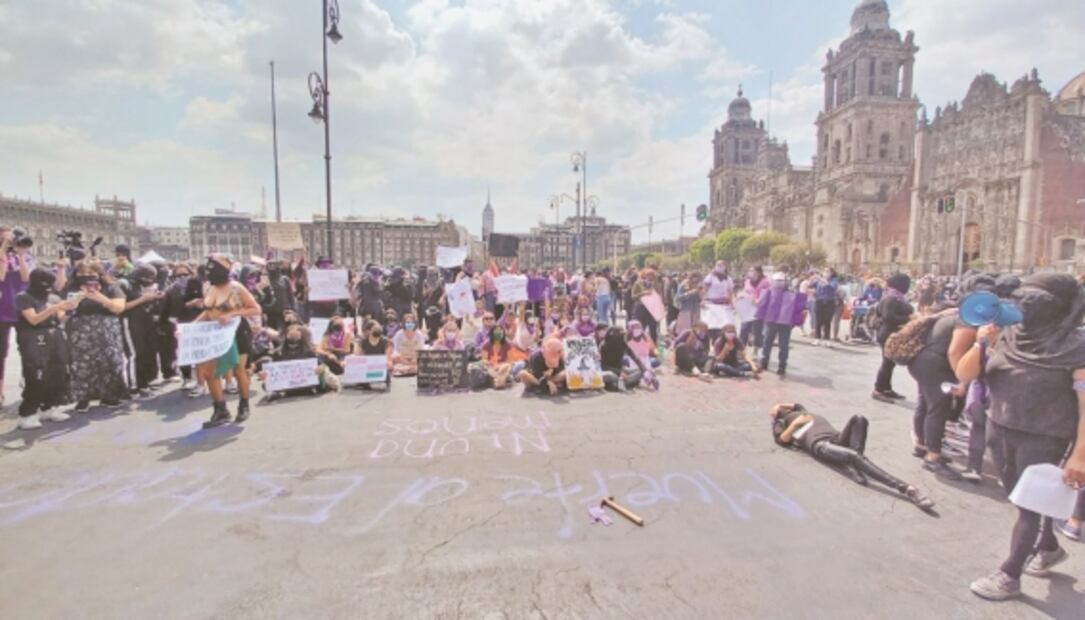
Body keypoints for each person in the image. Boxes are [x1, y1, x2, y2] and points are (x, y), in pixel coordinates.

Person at [956, 273, 1085, 601]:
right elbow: (965, 374)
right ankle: (1048, 546)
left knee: (1028, 506)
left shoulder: (1076, 349)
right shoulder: (1007, 333)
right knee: (1018, 496)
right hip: (998, 429)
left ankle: (1009, 574)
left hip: (1045, 436)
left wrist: (1079, 455)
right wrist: (982, 342)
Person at [907, 273, 996, 480]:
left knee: (925, 404)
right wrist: (962, 380)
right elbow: (954, 352)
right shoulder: (967, 319)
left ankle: (922, 444)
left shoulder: (955, 311)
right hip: (936, 366)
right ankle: (933, 456)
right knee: (939, 408)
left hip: (923, 361)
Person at [770, 403, 934, 510]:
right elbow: (781, 440)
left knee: (859, 419)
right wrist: (795, 424)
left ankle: (855, 465)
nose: (778, 406)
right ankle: (907, 489)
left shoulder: (801, 411)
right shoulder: (783, 422)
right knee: (854, 455)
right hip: (820, 445)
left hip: (836, 438)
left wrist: (783, 405)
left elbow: (796, 404)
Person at [195, 254, 262, 428]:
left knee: (239, 370)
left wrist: (232, 313)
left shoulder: (236, 288)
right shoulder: (210, 289)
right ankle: (220, 409)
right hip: (215, 333)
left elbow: (255, 309)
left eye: (213, 268)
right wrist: (191, 327)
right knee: (210, 372)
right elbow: (209, 312)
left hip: (237, 332)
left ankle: (244, 405)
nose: (209, 272)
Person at [13, 268, 76, 429]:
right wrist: (53, 308)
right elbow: (33, 319)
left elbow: (59, 318)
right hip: (33, 338)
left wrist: (68, 309)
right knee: (36, 375)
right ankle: (27, 413)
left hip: (54, 336)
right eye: (44, 284)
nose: (47, 287)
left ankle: (50, 406)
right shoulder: (24, 297)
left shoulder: (53, 297)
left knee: (57, 372)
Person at [66, 260, 128, 411]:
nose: (86, 277)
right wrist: (76, 299)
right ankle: (83, 398)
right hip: (80, 331)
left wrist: (100, 297)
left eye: (90, 273)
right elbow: (63, 309)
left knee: (110, 361)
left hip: (107, 329)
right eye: (82, 273)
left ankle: (110, 396)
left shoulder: (111, 288)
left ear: (99, 274)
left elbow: (119, 308)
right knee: (81, 364)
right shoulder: (72, 288)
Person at [0, 226, 33, 407]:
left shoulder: (24, 256)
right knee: (0, 353)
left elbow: (26, 278)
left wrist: (20, 255)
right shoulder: (2, 255)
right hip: (1, 310)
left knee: (27, 348)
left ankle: (28, 383)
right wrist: (3, 249)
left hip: (21, 309)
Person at [123, 263, 166, 398]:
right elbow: (121, 307)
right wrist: (143, 298)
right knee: (135, 354)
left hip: (144, 321)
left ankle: (145, 382)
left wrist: (153, 297)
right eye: (148, 278)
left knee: (148, 351)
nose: (150, 281)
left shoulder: (141, 286)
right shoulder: (125, 285)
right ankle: (133, 387)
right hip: (130, 322)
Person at [871, 274, 914, 402]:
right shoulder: (891, 298)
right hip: (887, 334)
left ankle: (887, 388)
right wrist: (909, 319)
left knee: (890, 363)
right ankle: (878, 389)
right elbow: (888, 317)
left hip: (893, 333)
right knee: (887, 362)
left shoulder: (896, 297)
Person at [757, 272, 807, 377]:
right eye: (776, 281)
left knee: (783, 345)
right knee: (767, 342)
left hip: (785, 323)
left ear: (785, 282)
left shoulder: (792, 293)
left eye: (781, 281)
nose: (778, 283)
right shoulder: (768, 292)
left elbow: (799, 306)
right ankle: (764, 362)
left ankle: (782, 366)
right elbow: (762, 305)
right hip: (771, 321)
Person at [599, 326, 651, 391]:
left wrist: (645, 371)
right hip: (609, 371)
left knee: (640, 371)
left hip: (621, 369)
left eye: (623, 334)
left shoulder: (623, 344)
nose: (622, 336)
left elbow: (635, 358)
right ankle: (624, 383)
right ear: (613, 335)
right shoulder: (603, 346)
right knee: (609, 376)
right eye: (620, 334)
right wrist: (619, 372)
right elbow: (603, 366)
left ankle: (621, 383)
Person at [355, 319, 392, 390]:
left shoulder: (385, 342)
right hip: (367, 369)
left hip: (381, 369)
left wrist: (388, 363)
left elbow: (389, 359)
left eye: (379, 327)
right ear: (368, 331)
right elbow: (358, 357)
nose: (378, 329)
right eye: (375, 328)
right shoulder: (363, 342)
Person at [740, 266, 770, 348]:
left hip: (759, 309)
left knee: (757, 330)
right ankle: (741, 349)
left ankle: (756, 349)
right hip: (747, 307)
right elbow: (744, 291)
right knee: (744, 329)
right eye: (749, 270)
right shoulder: (747, 281)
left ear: (758, 272)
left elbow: (766, 294)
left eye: (752, 271)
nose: (750, 272)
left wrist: (758, 300)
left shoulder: (765, 282)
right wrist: (742, 296)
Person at [631, 268, 661, 344]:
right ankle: (637, 346)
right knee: (639, 329)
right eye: (648, 275)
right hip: (641, 308)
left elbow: (659, 295)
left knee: (653, 329)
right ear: (644, 275)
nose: (650, 277)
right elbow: (633, 296)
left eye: (652, 276)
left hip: (652, 309)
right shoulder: (638, 283)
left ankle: (654, 347)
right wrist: (644, 293)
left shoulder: (655, 284)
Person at [812, 268, 839, 346]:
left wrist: (822, 279)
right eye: (824, 271)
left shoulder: (834, 281)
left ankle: (827, 339)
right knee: (818, 321)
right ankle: (817, 338)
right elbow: (810, 285)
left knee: (827, 321)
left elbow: (832, 287)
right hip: (819, 302)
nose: (825, 272)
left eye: (827, 271)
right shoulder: (819, 281)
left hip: (829, 302)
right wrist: (813, 278)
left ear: (831, 273)